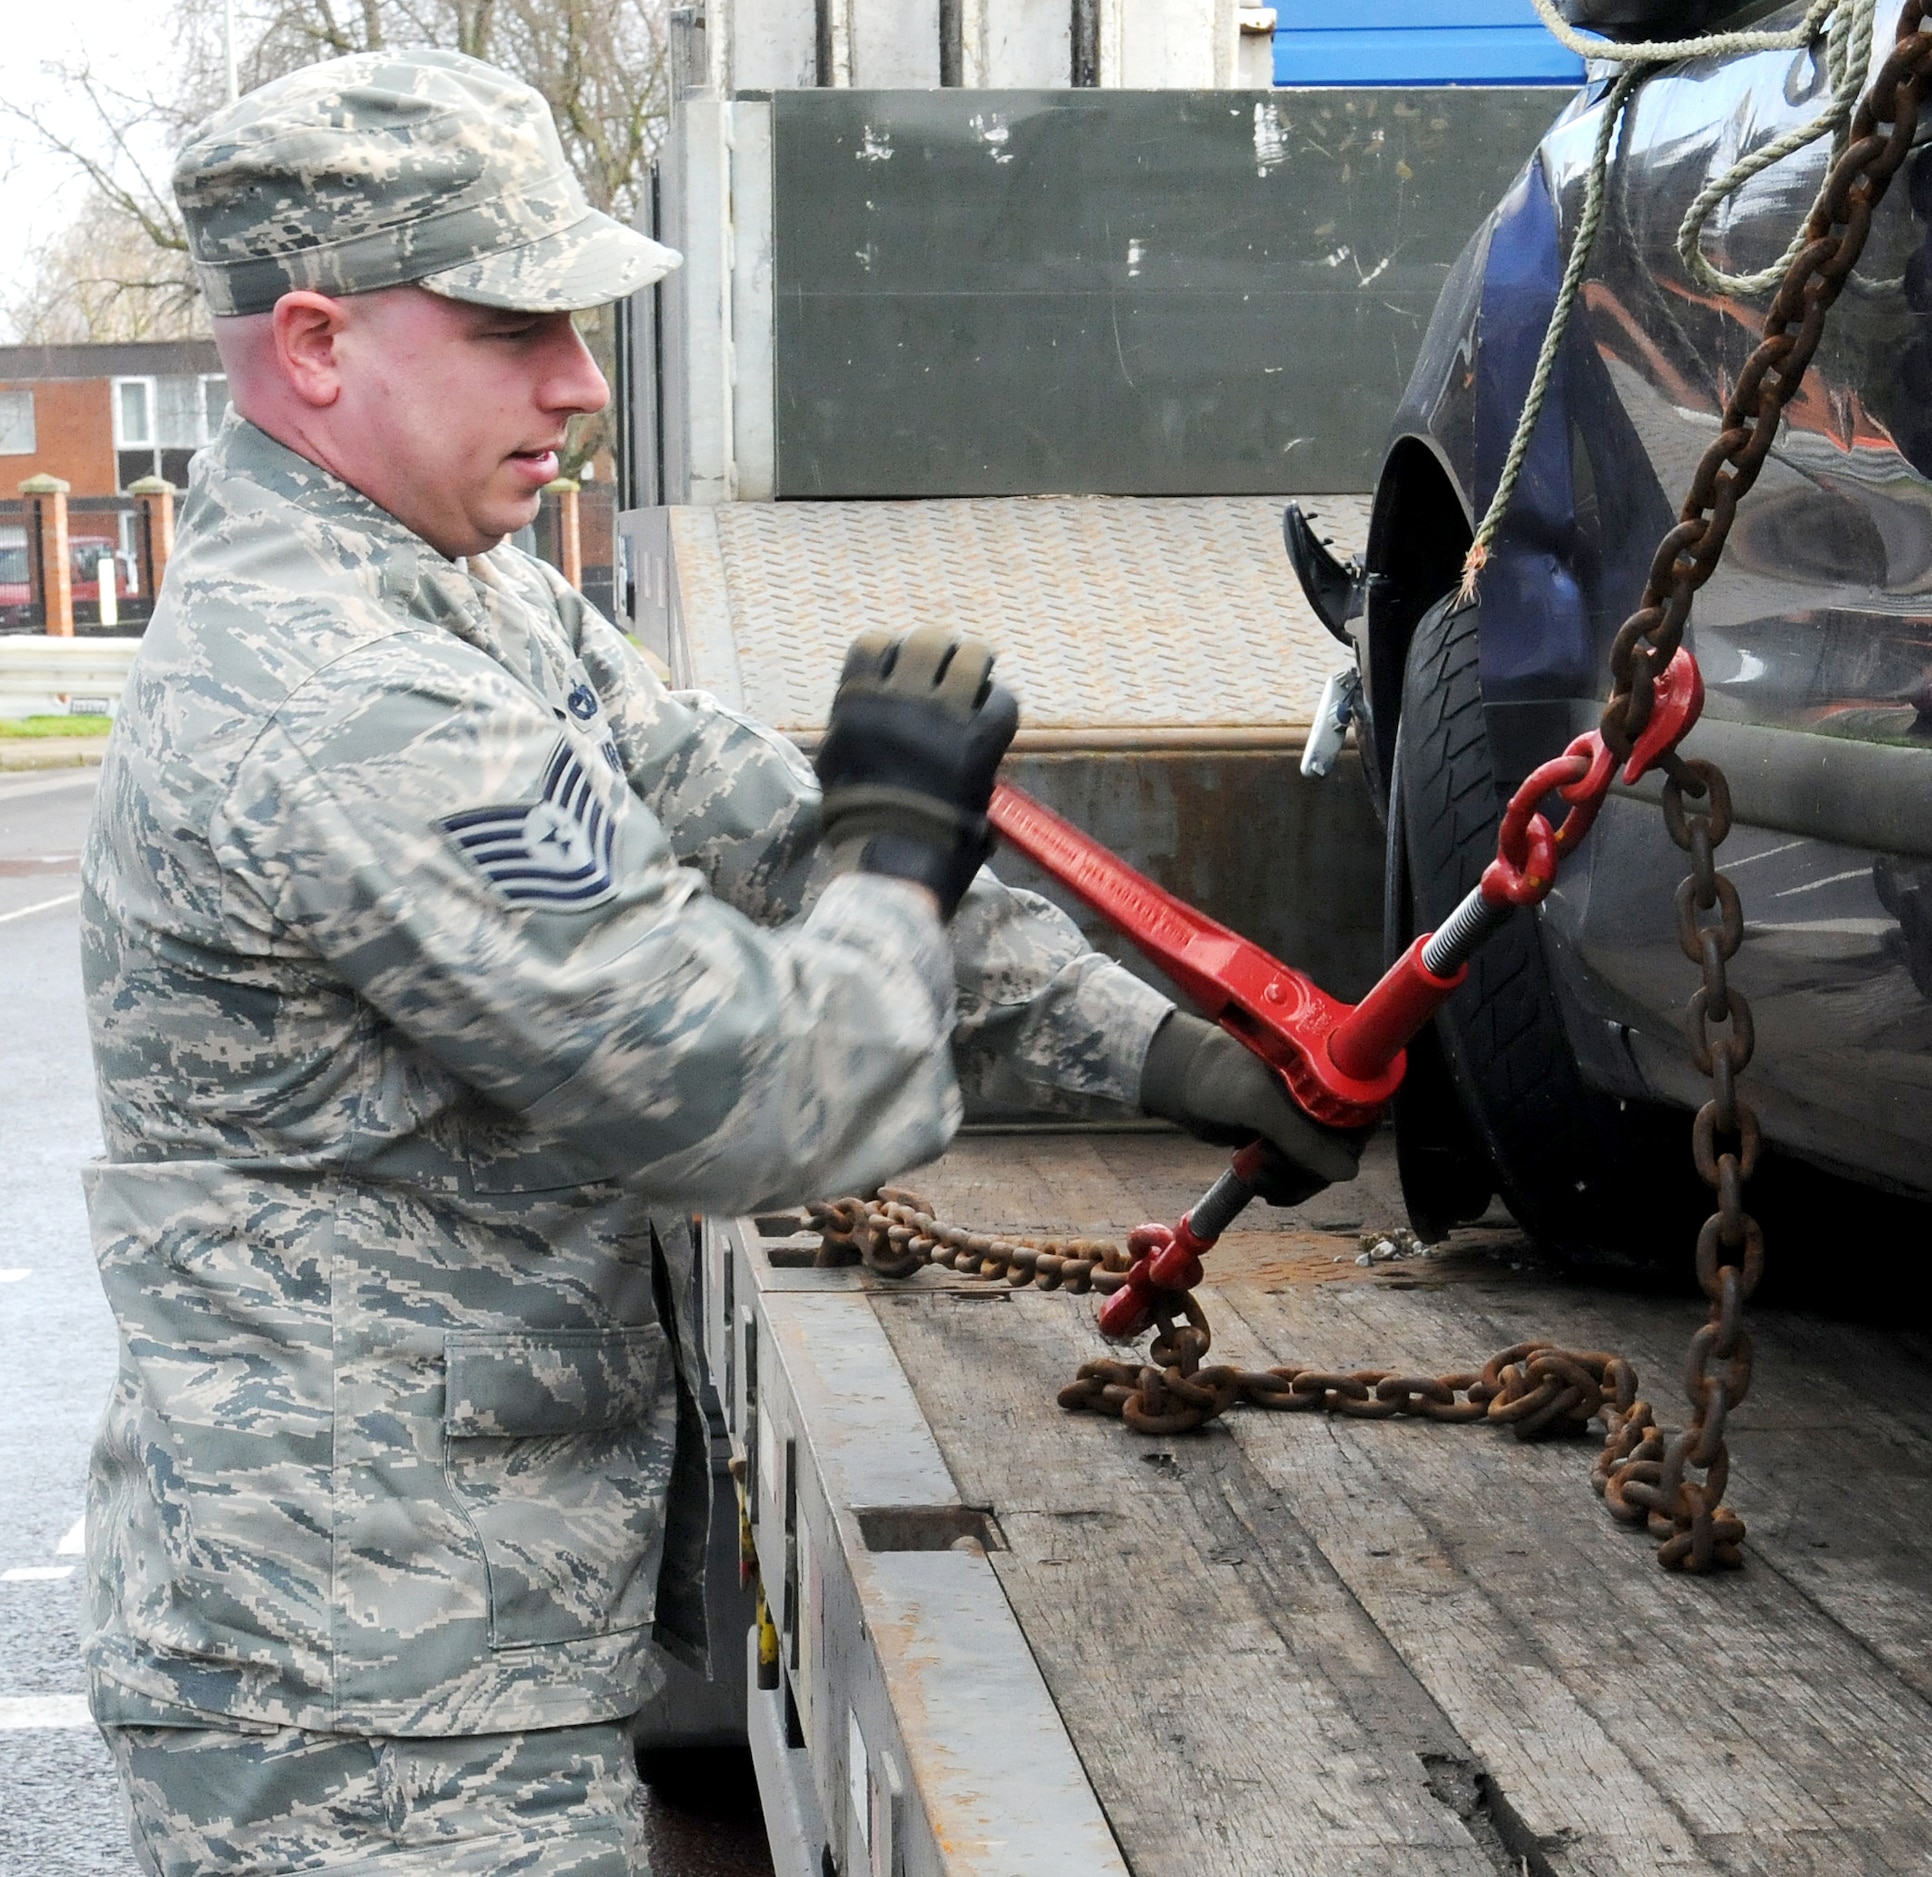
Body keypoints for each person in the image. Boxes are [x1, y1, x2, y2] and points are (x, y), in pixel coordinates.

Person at [77, 47, 1362, 1877]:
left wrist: (1176, 1056)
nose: (581, 380)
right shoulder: (341, 701)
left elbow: (756, 829)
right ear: (313, 346)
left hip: (421, 1627)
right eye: (516, 324)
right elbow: (740, 1088)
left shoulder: (456, 594)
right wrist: (899, 858)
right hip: (358, 1706)